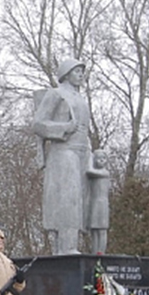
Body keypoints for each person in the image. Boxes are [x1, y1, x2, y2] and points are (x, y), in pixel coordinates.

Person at [31, 58, 110, 255]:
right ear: (66, 74)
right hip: (63, 152)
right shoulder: (56, 94)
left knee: (81, 200)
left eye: (82, 72)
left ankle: (69, 248)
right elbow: (38, 124)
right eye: (77, 71)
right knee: (68, 198)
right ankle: (67, 248)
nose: (81, 75)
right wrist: (64, 128)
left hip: (82, 152)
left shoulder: (80, 98)